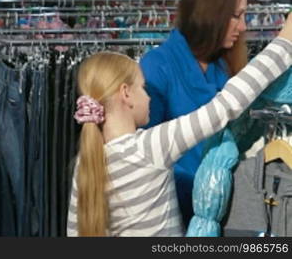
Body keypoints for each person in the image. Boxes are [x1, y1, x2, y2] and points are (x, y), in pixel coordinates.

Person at [66, 12, 292, 236]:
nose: (149, 96)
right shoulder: (150, 147)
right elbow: (225, 105)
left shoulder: (85, 161)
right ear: (125, 93)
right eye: (143, 88)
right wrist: (285, 42)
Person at [139, 0, 249, 226]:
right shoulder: (157, 66)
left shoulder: (225, 63)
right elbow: (146, 156)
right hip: (173, 217)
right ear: (210, 14)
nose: (243, 26)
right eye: (236, 16)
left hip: (225, 212)